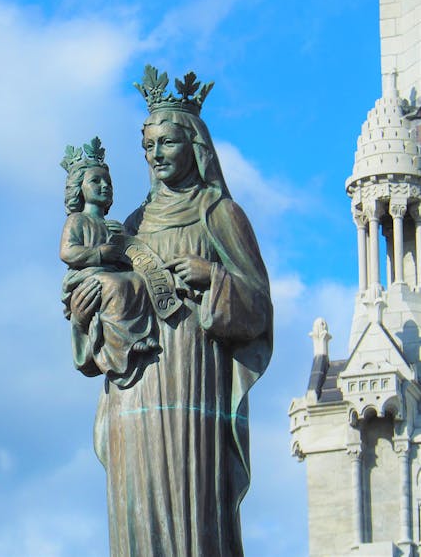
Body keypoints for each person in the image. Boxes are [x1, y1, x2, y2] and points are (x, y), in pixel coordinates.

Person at [69, 68, 273, 556]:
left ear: (194, 147)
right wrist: (84, 312)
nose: (156, 155)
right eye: (149, 146)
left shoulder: (218, 213)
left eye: (167, 143)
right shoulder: (132, 225)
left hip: (192, 379)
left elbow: (259, 308)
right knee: (135, 496)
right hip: (134, 384)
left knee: (191, 499)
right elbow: (96, 323)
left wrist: (212, 276)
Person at [60, 137, 157, 388]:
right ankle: (119, 347)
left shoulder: (114, 226)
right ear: (78, 188)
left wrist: (123, 242)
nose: (104, 186)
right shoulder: (77, 221)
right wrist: (101, 254)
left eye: (108, 182)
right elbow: (68, 252)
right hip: (87, 277)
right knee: (115, 286)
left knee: (135, 282)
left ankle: (137, 336)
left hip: (112, 275)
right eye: (96, 181)